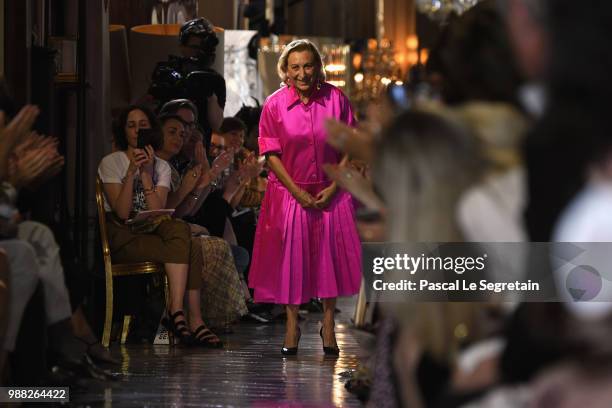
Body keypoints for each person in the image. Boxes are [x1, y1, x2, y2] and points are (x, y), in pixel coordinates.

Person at [248, 39, 362, 356]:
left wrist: (335, 186)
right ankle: (291, 324)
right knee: (290, 261)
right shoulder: (273, 105)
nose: (302, 73)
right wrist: (297, 192)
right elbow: (270, 154)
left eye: (308, 65)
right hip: (289, 192)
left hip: (330, 190)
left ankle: (328, 324)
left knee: (329, 260)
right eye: (295, 67)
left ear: (318, 68)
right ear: (285, 71)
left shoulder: (336, 99)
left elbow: (351, 145)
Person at [98, 105, 221, 347]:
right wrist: (132, 169)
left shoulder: (161, 167)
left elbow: (157, 211)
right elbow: (122, 213)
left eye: (142, 126)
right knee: (187, 243)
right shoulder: (111, 162)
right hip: (124, 234)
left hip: (150, 228)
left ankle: (186, 317)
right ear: (123, 130)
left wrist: (145, 174)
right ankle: (182, 318)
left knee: (185, 236)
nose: (136, 131)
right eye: (131, 126)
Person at [155, 113, 249, 329]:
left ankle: (198, 318)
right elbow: (173, 211)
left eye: (184, 132)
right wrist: (208, 176)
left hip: (178, 230)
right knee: (219, 248)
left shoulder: (175, 168)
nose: (181, 137)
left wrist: (213, 178)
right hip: (161, 231)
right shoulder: (162, 166)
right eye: (174, 132)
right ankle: (193, 318)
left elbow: (195, 208)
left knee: (231, 249)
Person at [149, 18, 225, 148]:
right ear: (182, 47)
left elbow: (217, 125)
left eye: (204, 48)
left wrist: (210, 95)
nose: (199, 53)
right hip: (164, 147)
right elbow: (149, 108)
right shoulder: (168, 71)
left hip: (197, 148)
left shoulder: (213, 79)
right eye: (195, 47)